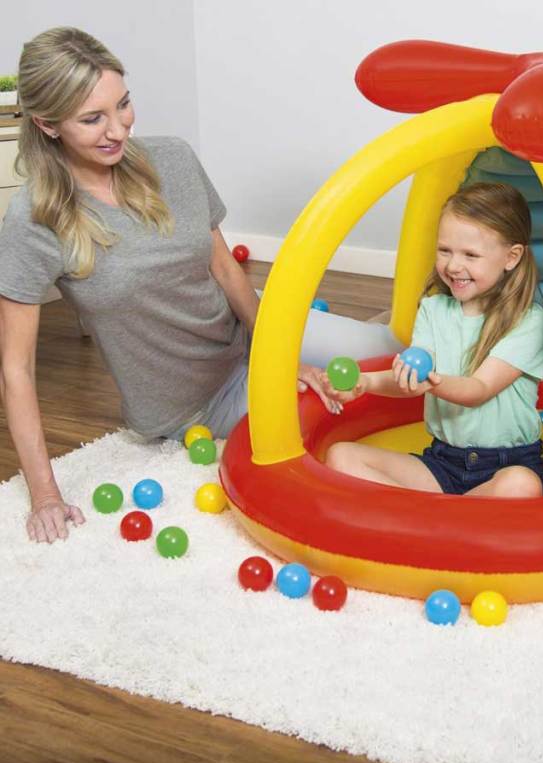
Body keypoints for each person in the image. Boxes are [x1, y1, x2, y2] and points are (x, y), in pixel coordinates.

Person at [0, 28, 400, 544]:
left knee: (398, 354)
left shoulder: (172, 159)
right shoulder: (35, 218)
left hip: (255, 338)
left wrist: (278, 357)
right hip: (196, 402)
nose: (118, 129)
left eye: (123, 105)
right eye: (92, 118)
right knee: (346, 414)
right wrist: (46, 494)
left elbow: (226, 269)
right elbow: (16, 369)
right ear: (47, 125)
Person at [323, 182, 543, 498]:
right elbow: (412, 379)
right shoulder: (433, 310)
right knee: (340, 455)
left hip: (505, 465)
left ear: (511, 257)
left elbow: (478, 390)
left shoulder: (528, 321)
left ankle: (429, 522)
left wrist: (433, 383)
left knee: (522, 486)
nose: (453, 265)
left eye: (471, 255)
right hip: (443, 464)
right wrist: (367, 382)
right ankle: (444, 523)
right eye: (445, 250)